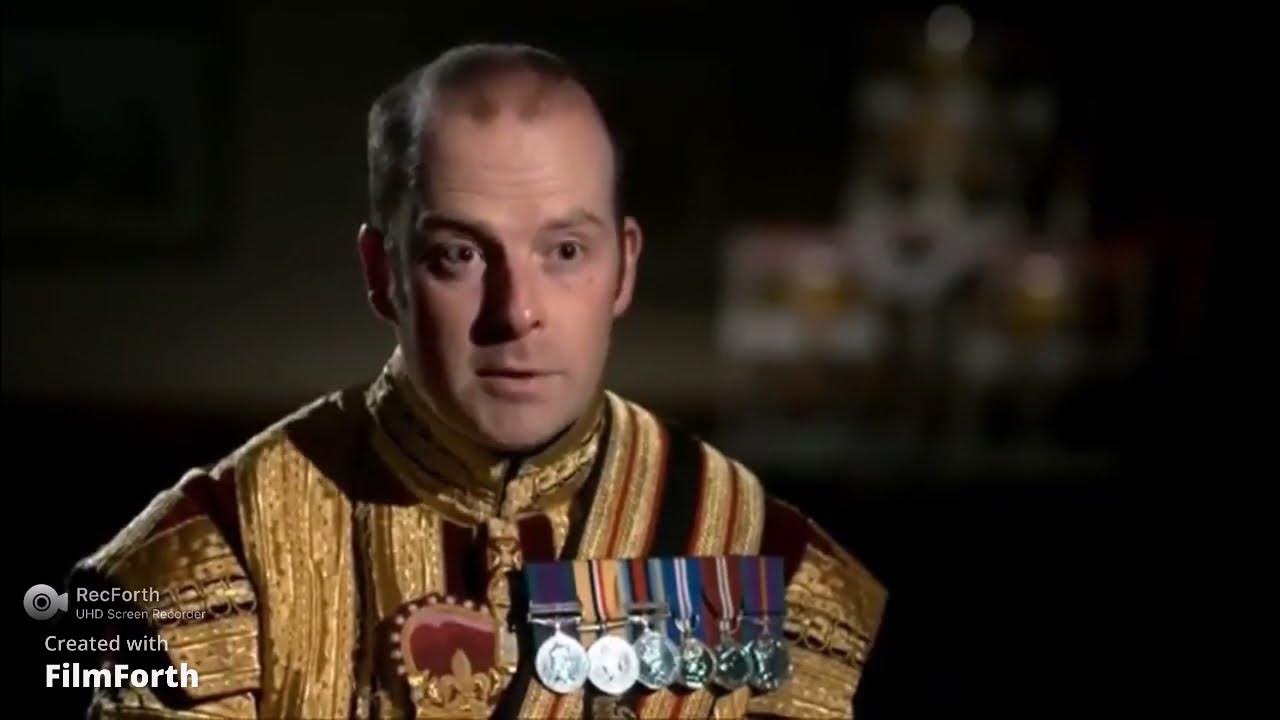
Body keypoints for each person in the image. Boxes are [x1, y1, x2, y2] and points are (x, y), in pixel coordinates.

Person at [69, 43, 886, 719]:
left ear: (623, 268)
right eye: (458, 255)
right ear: (381, 273)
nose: (516, 312)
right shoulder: (209, 552)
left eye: (565, 251)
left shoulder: (763, 554)